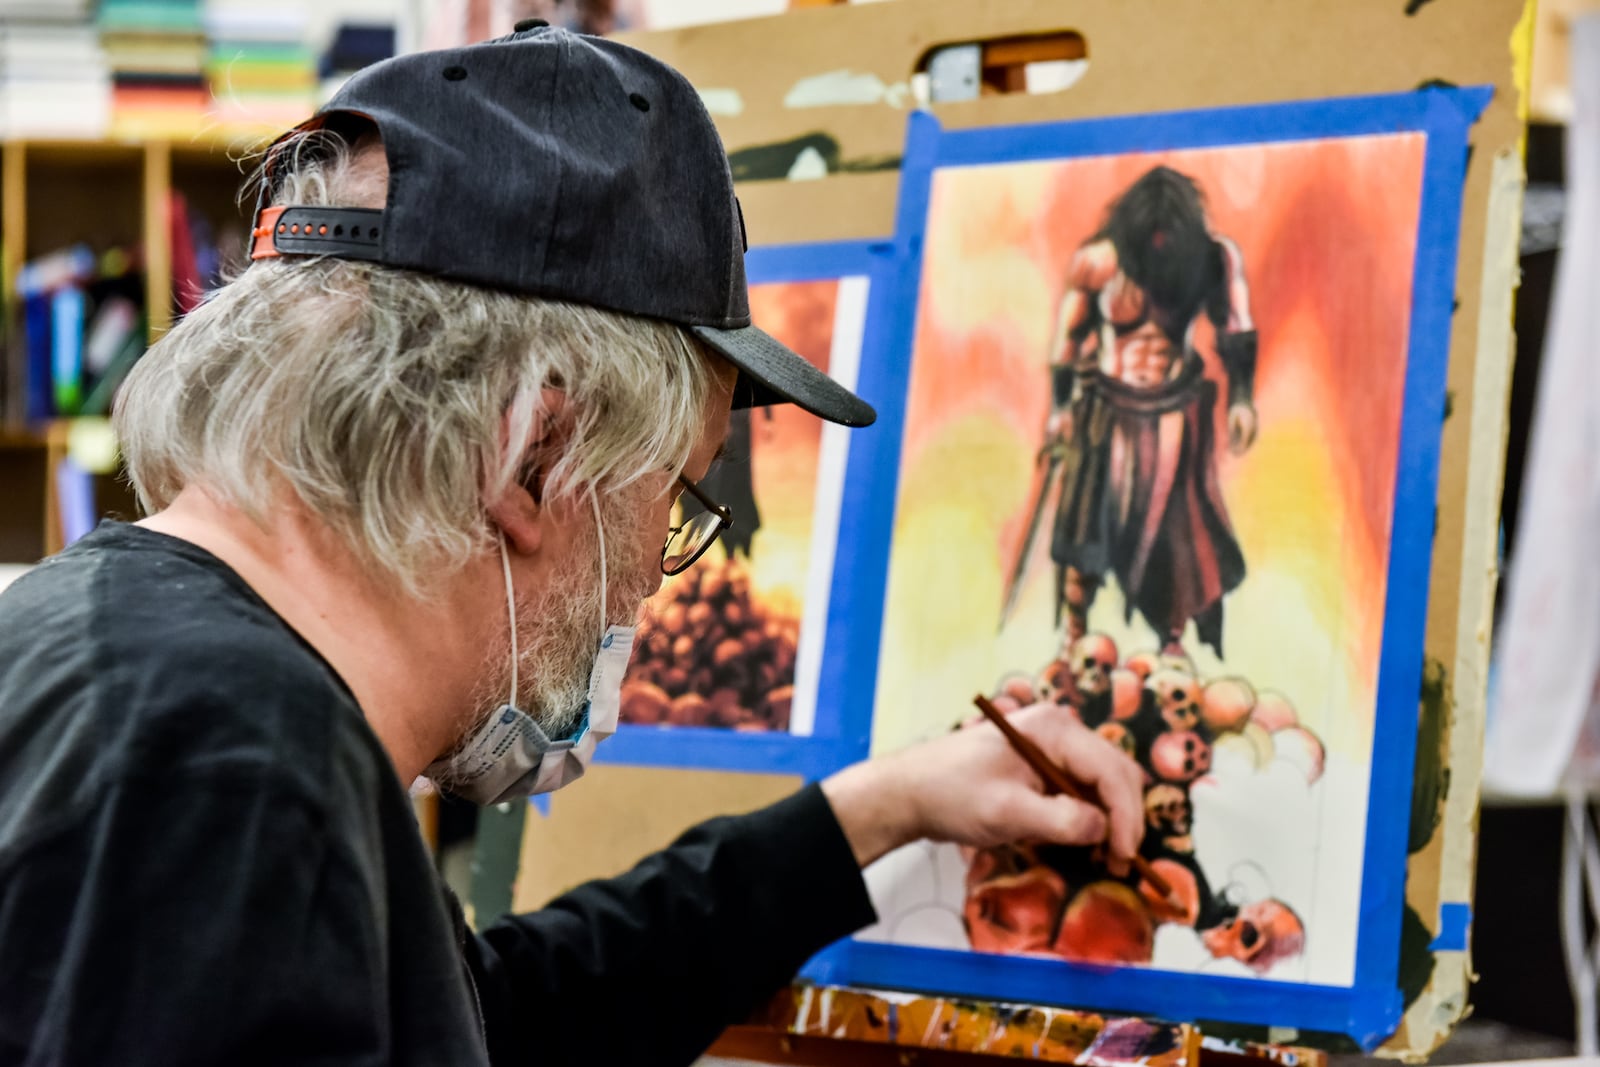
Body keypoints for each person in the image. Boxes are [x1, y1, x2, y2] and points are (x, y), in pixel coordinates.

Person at [0, 25, 1143, 1067]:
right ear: (534, 457)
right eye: (678, 496)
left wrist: (875, 808)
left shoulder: (152, 669)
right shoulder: (226, 774)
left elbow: (486, 1018)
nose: (653, 568)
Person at [1014, 166, 1258, 658]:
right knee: (1086, 525)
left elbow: (1235, 328)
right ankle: (1075, 638)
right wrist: (1059, 411)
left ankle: (1170, 642)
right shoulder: (1099, 262)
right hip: (1105, 411)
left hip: (1173, 412)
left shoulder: (1211, 259)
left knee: (1177, 533)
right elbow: (1068, 341)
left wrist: (1241, 399)